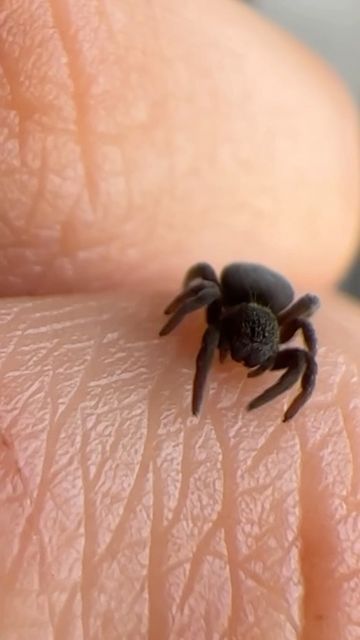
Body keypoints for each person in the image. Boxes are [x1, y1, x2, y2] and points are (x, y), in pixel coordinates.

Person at [0, 1, 359, 638]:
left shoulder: (285, 335)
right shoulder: (220, 309)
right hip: (244, 281)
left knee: (313, 352)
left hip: (272, 293)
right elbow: (200, 281)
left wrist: (282, 401)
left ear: (268, 337)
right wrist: (172, 325)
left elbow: (310, 349)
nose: (240, 362)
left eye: (258, 357)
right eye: (237, 350)